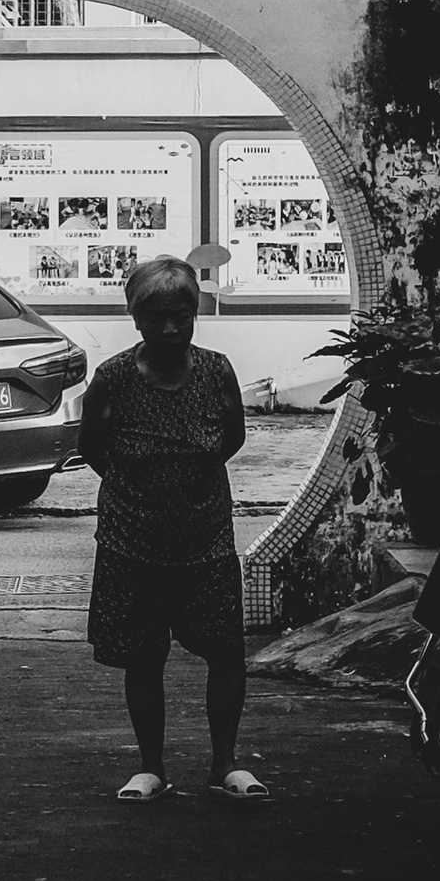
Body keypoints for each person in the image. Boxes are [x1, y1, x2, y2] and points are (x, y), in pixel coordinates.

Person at [78, 253, 265, 802]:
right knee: (143, 654)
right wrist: (141, 488)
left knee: (226, 649)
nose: (168, 328)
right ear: (135, 317)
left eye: (180, 315)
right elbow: (92, 449)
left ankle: (225, 762)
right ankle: (151, 767)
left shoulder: (215, 370)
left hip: (204, 535)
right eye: (155, 316)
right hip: (131, 539)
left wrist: (190, 479)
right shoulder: (112, 377)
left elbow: (232, 437)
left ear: (195, 313)